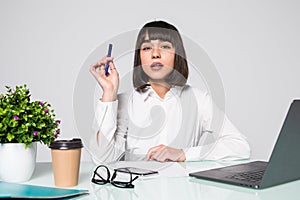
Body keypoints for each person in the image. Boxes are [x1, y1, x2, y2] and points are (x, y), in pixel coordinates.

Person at [89, 20, 250, 164]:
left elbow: (240, 146)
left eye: (165, 46)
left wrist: (183, 154)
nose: (155, 54)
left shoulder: (199, 100)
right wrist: (108, 94)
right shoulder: (125, 102)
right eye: (146, 48)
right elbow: (101, 158)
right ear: (140, 58)